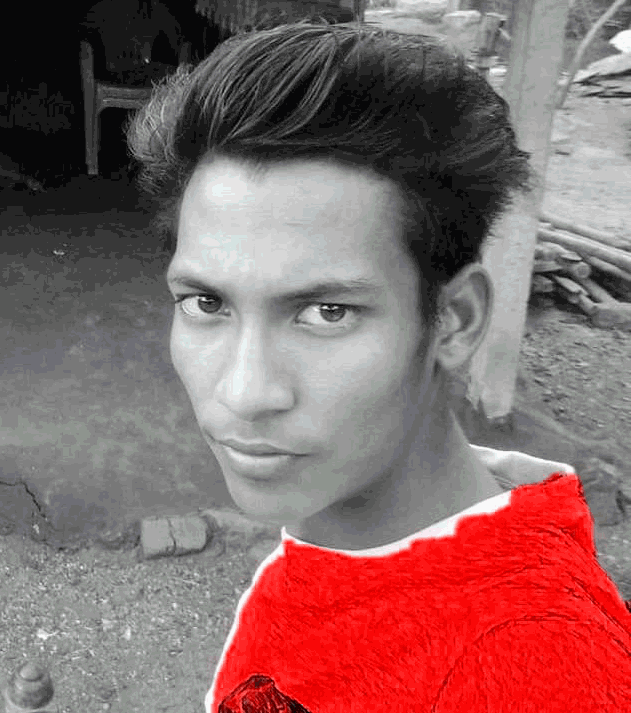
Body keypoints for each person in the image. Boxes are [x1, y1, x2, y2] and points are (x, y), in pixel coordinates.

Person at [127, 21, 631, 713]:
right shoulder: (345, 536)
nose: (243, 392)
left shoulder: (533, 664)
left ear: (455, 321)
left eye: (327, 311)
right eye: (207, 302)